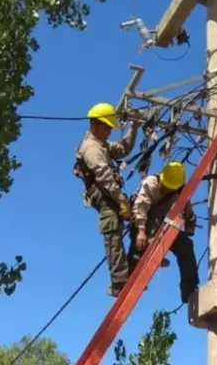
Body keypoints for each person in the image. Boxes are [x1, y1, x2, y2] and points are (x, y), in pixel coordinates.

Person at [73, 102, 140, 298]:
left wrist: (134, 128)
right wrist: (121, 200)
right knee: (112, 228)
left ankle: (135, 260)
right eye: (107, 127)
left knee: (135, 215)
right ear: (95, 124)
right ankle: (119, 281)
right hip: (101, 193)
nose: (110, 132)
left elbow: (122, 150)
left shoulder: (101, 143)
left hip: (109, 191)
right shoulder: (91, 148)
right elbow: (103, 176)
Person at [128, 161, 200, 304]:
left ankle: (189, 290)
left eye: (170, 188)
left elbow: (189, 212)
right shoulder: (151, 183)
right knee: (138, 244)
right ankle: (132, 271)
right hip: (144, 221)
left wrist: (190, 223)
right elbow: (140, 207)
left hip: (164, 225)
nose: (166, 190)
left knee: (186, 247)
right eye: (165, 186)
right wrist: (141, 231)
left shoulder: (181, 191)